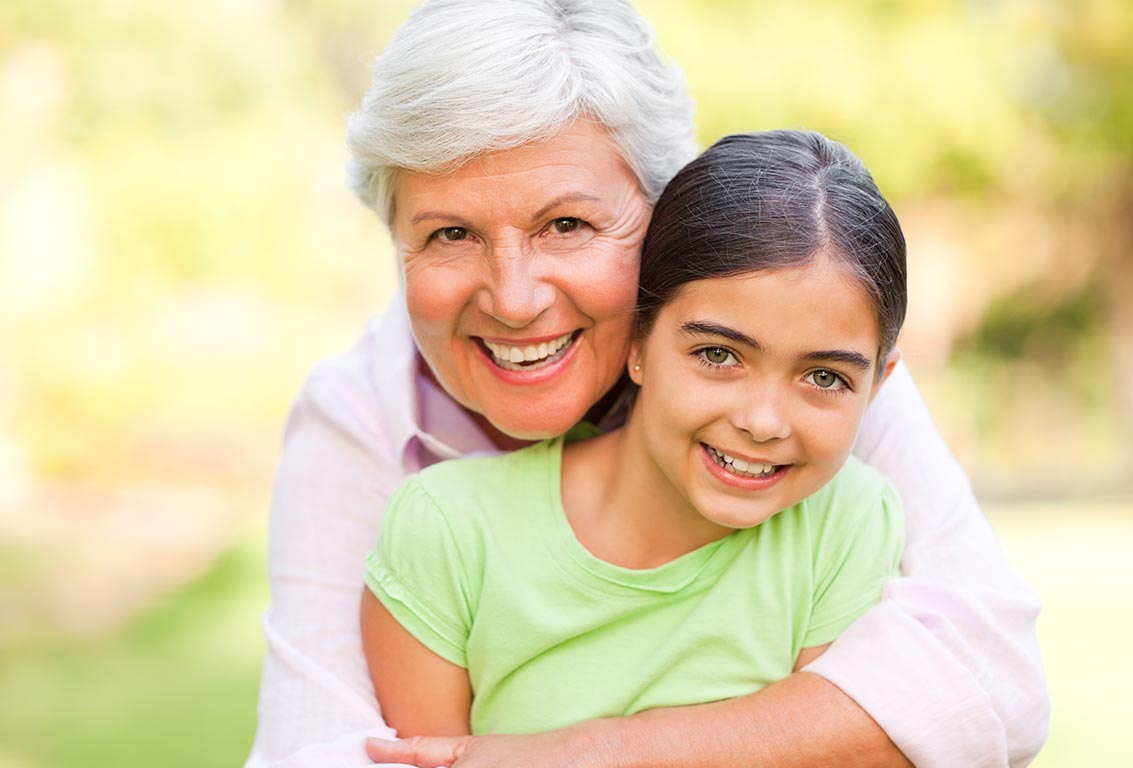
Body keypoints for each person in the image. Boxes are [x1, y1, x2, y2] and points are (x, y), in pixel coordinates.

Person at [246, 2, 1049, 766]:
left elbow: (989, 678)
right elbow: (317, 749)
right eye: (449, 234)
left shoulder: (796, 365)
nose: (515, 299)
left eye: (567, 225)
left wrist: (594, 752)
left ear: (665, 212)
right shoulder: (357, 421)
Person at [360, 129, 909, 742]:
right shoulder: (448, 531)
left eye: (825, 376)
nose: (763, 421)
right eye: (719, 354)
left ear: (878, 386)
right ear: (639, 342)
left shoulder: (848, 523)